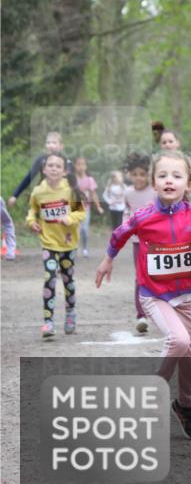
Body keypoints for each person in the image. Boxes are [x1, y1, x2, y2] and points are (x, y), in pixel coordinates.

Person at [96, 150, 191, 440]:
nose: (170, 180)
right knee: (178, 340)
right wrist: (108, 259)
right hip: (154, 295)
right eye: (163, 175)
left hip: (186, 297)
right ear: (154, 183)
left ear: (189, 184)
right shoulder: (144, 217)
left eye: (177, 176)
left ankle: (185, 407)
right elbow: (119, 234)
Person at [27, 152, 87, 339]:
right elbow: (32, 212)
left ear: (64, 171)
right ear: (44, 169)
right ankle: (48, 322)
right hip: (49, 243)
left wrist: (69, 218)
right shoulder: (38, 191)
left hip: (68, 243)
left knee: (68, 280)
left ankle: (70, 314)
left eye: (58, 166)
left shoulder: (70, 189)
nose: (53, 168)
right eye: (50, 165)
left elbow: (81, 213)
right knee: (49, 278)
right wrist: (31, 223)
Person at [123, 152, 156, 334]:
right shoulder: (128, 193)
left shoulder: (155, 191)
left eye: (142, 174)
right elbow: (127, 212)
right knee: (140, 278)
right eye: (135, 174)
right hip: (138, 242)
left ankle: (162, 311)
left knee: (158, 276)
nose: (138, 178)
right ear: (130, 175)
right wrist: (126, 226)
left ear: (148, 175)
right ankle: (141, 315)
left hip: (158, 242)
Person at [8, 131, 64, 209]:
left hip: (61, 197)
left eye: (54, 143)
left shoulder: (66, 161)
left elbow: (73, 182)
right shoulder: (41, 160)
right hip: (43, 196)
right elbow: (28, 178)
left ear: (61, 146)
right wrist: (15, 195)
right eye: (48, 143)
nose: (50, 145)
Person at [73, 157, 104, 257]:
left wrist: (98, 206)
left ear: (86, 166)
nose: (81, 167)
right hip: (73, 207)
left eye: (83, 164)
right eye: (78, 164)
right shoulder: (72, 179)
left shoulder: (89, 180)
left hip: (85, 208)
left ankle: (85, 248)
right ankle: (74, 248)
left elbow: (93, 194)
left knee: (84, 229)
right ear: (75, 166)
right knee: (75, 228)